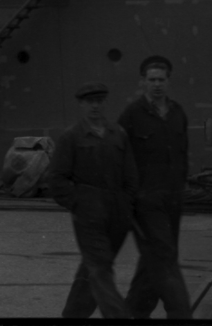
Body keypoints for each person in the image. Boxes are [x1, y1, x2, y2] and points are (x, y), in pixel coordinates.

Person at [48, 82, 138, 319]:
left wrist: (126, 205)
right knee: (100, 267)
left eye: (99, 101)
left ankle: (72, 316)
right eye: (90, 102)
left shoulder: (118, 134)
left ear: (104, 103)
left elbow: (130, 175)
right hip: (89, 213)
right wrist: (80, 203)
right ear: (81, 104)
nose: (95, 106)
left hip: (117, 213)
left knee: (94, 267)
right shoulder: (71, 137)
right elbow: (56, 179)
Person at [118, 56, 193, 319]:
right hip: (146, 199)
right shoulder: (131, 114)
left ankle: (134, 311)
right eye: (152, 80)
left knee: (155, 255)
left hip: (173, 198)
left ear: (168, 81)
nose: (157, 85)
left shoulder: (177, 113)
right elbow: (119, 156)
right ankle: (181, 313)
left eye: (161, 80)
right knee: (164, 254)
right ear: (143, 82)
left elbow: (182, 153)